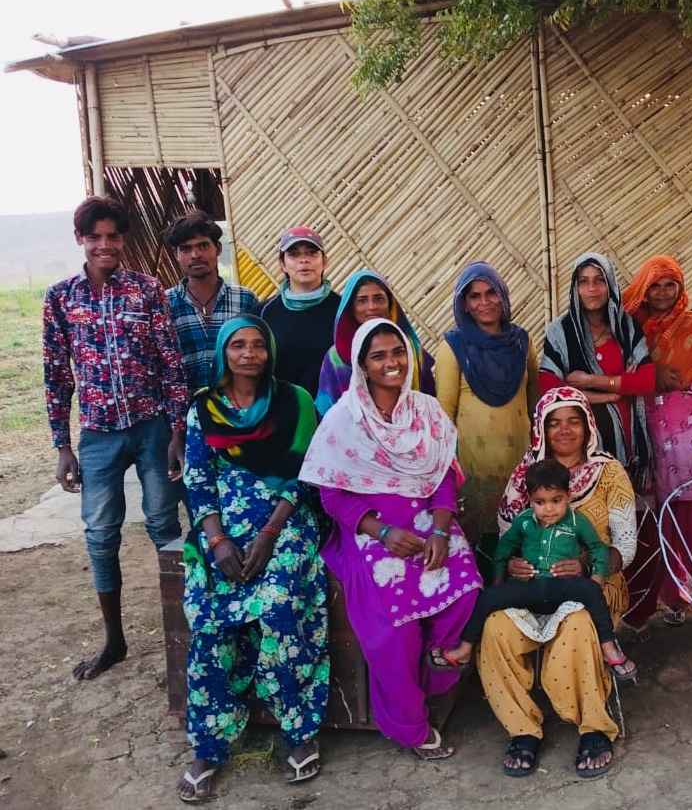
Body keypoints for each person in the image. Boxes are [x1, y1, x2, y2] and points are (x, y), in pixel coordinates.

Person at [300, 318, 481, 760]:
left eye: (397, 353)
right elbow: (331, 494)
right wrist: (379, 530)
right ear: (362, 364)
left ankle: (437, 672)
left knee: (465, 588)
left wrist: (441, 527)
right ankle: (409, 724)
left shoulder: (426, 411)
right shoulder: (344, 419)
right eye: (378, 356)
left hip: (426, 518)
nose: (391, 363)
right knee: (392, 621)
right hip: (368, 527)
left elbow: (442, 476)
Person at [177, 316, 327, 803]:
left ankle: (297, 728)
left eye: (257, 345)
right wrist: (217, 541)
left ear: (270, 352)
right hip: (223, 530)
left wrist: (267, 534)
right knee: (208, 618)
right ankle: (210, 743)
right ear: (224, 353)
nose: (248, 354)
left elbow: (305, 475)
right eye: (238, 345)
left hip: (284, 524)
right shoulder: (202, 409)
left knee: (280, 605)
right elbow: (197, 480)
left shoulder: (295, 402)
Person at [42, 195, 187, 681]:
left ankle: (183, 638)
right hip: (99, 435)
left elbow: (171, 363)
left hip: (151, 429)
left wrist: (177, 430)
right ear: (80, 240)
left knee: (165, 526)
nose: (105, 245)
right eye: (95, 237)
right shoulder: (61, 298)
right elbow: (56, 374)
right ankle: (115, 641)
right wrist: (63, 444)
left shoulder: (147, 292)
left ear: (123, 240)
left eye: (113, 237)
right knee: (100, 536)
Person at [479, 387, 638, 779]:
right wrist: (515, 564)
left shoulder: (609, 472)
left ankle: (594, 727)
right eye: (554, 422)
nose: (564, 430)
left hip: (594, 588)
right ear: (541, 429)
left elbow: (626, 547)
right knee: (495, 627)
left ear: (588, 425)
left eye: (573, 420)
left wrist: (587, 563)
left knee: (577, 625)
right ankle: (523, 729)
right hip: (531, 589)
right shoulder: (526, 477)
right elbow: (507, 539)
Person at [433, 459, 635, 677]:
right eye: (540, 502)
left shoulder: (577, 521)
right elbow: (503, 549)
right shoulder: (524, 522)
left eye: (556, 500)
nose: (549, 509)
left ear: (568, 496)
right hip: (530, 588)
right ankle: (464, 649)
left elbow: (597, 548)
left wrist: (596, 577)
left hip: (563, 587)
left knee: (593, 592)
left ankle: (609, 649)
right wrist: (500, 582)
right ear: (530, 501)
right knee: (487, 598)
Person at [621, 254, 692, 626]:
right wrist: (652, 379)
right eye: (654, 286)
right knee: (661, 514)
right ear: (644, 291)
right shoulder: (634, 331)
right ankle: (671, 594)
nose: (662, 293)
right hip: (650, 430)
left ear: (680, 288)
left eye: (669, 285)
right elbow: (627, 375)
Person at [540, 252, 678, 486]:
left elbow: (646, 380)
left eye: (599, 280)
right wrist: (606, 396)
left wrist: (591, 381)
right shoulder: (560, 332)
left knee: (628, 512)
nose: (592, 288)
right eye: (584, 281)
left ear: (610, 284)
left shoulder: (627, 327)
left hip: (629, 444)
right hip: (580, 448)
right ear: (575, 288)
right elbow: (548, 388)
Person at [435, 262, 538, 544]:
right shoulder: (453, 347)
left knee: (520, 546)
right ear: (464, 304)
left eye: (491, 293)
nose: (484, 302)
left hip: (520, 468)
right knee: (480, 546)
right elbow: (444, 416)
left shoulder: (521, 342)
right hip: (472, 473)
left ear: (502, 295)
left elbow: (534, 403)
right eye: (474, 296)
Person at [315, 268, 434, 415]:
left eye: (379, 298)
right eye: (362, 300)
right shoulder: (336, 358)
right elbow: (326, 413)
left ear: (390, 304)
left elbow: (430, 401)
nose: (371, 307)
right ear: (351, 308)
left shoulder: (411, 349)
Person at [164, 210, 258, 394]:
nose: (195, 255)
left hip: (237, 410)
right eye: (185, 249)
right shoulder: (164, 304)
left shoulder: (245, 300)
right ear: (176, 254)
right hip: (187, 413)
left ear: (218, 249)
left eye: (203, 246)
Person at [259, 226, 341, 399]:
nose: (304, 260)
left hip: (336, 415)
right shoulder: (263, 313)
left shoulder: (343, 310)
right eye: (294, 254)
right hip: (283, 414)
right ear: (282, 264)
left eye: (312, 253)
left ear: (325, 261)